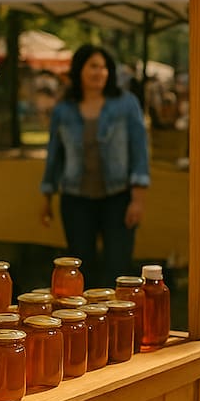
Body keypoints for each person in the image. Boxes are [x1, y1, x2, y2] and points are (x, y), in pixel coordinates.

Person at [40, 45, 150, 286]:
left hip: (118, 197)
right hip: (75, 199)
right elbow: (54, 154)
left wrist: (138, 199)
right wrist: (47, 196)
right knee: (80, 266)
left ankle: (116, 323)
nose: (99, 72)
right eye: (93, 66)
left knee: (117, 267)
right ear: (79, 70)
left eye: (104, 67)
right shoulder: (63, 109)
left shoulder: (126, 104)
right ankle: (83, 323)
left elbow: (139, 151)